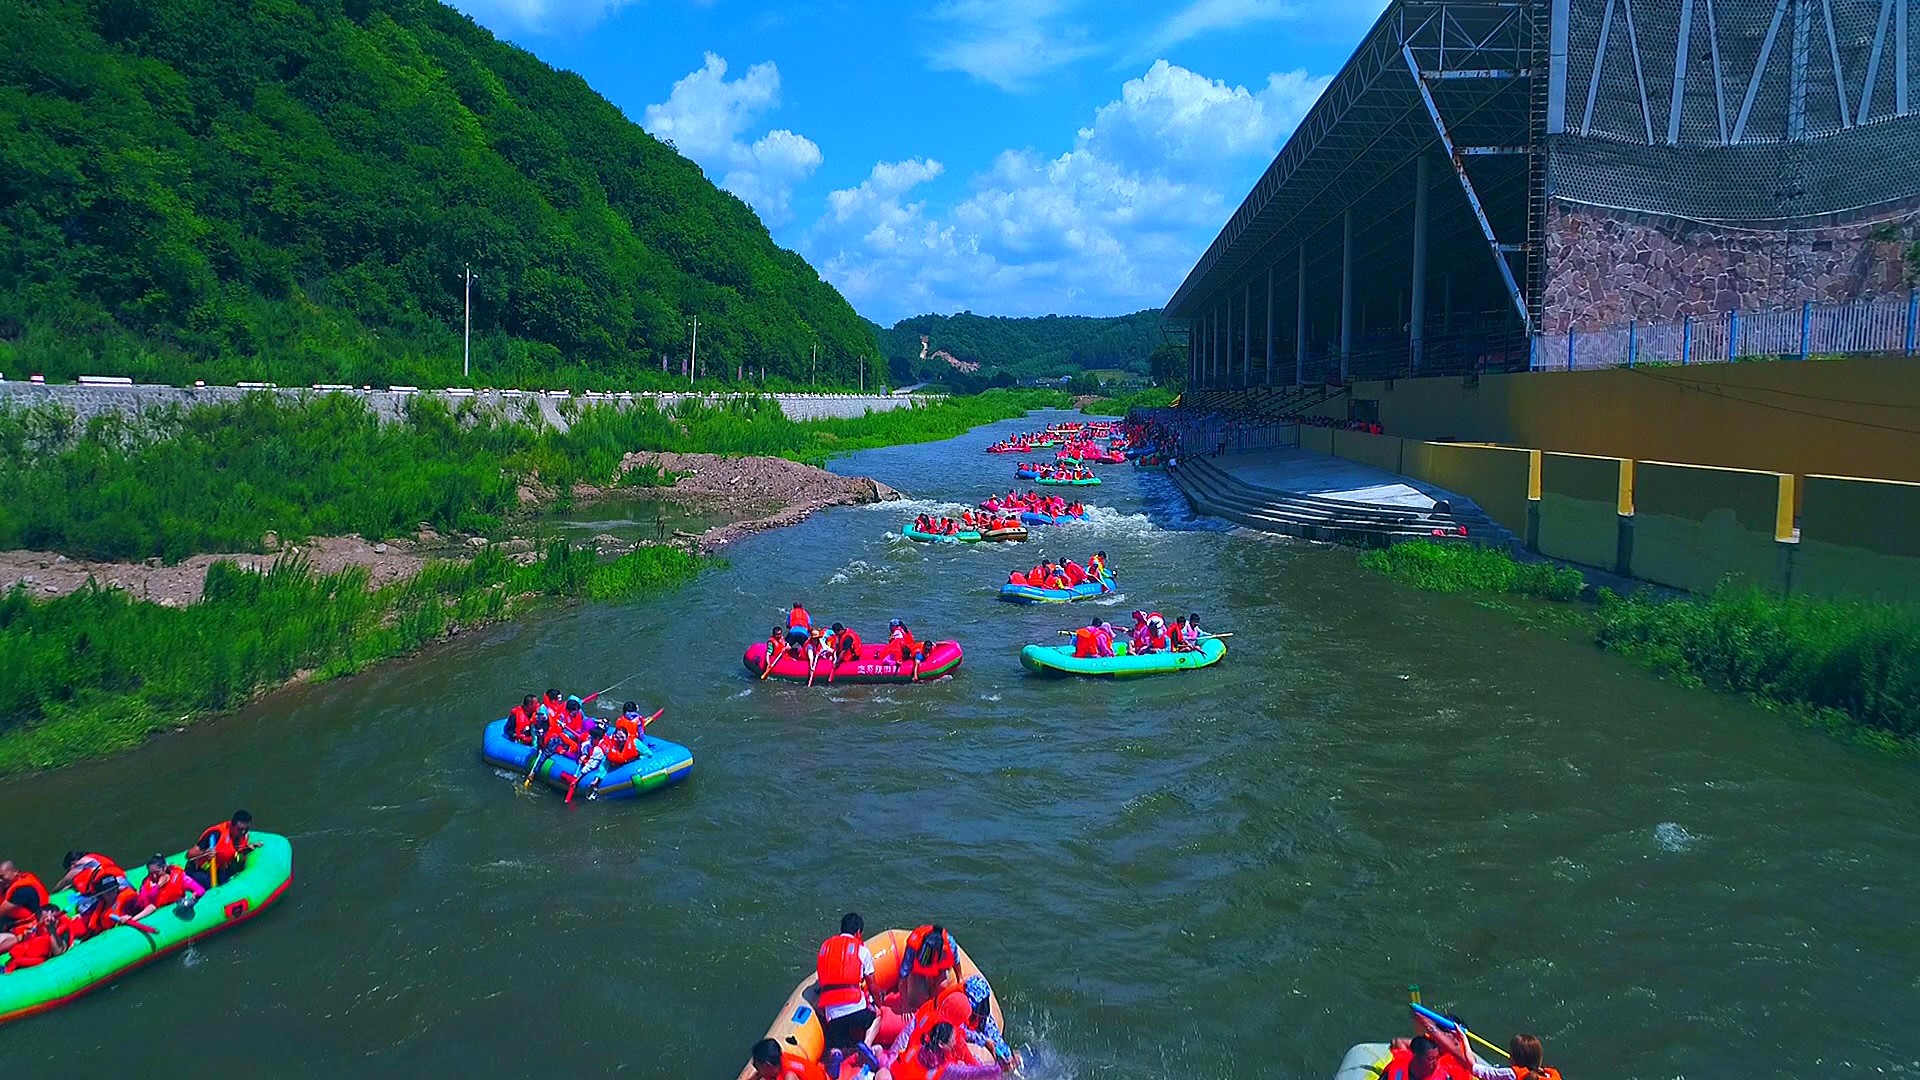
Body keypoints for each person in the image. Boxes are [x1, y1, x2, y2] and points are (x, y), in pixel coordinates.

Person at [816, 913, 881, 1059]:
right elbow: (872, 985)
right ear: (858, 932)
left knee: (841, 1043)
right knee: (877, 1015)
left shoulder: (825, 948)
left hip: (832, 1017)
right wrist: (878, 1004)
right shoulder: (862, 950)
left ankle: (837, 1052)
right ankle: (867, 1045)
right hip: (856, 1011)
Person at [1419, 1015, 1560, 1080]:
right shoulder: (1549, 1074)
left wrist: (1463, 1039)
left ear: (1513, 1057)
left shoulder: (1511, 1074)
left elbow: (1472, 1066)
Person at [185, 810, 255, 889]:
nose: (243, 832)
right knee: (212, 884)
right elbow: (188, 855)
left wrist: (248, 849)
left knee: (232, 872)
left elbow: (238, 849)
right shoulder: (216, 834)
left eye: (246, 829)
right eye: (240, 829)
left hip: (218, 870)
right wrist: (205, 852)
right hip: (198, 871)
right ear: (232, 825)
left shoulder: (243, 835)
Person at [125, 854, 205, 923]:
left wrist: (194, 897)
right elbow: (144, 903)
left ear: (164, 868)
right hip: (151, 911)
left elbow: (199, 889)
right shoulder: (148, 883)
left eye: (156, 872)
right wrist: (158, 886)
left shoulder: (179, 877)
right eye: (151, 873)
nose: (154, 876)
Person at [2, 907, 78, 973]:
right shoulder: (34, 931)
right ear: (38, 922)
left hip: (27, 970)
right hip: (10, 967)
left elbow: (59, 951)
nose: (51, 921)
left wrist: (51, 929)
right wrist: (21, 938)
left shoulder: (62, 931)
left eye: (54, 918)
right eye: (45, 919)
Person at [0, 861, 48, 955]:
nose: (0, 880)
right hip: (14, 923)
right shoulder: (10, 885)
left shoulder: (22, 891)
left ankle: (18, 939)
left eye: (2, 876)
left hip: (28, 929)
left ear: (15, 872)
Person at [748, 1037, 829, 1080]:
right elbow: (759, 1074)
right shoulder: (777, 1060)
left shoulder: (789, 1077)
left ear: (767, 1065)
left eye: (756, 1066)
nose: (757, 1069)